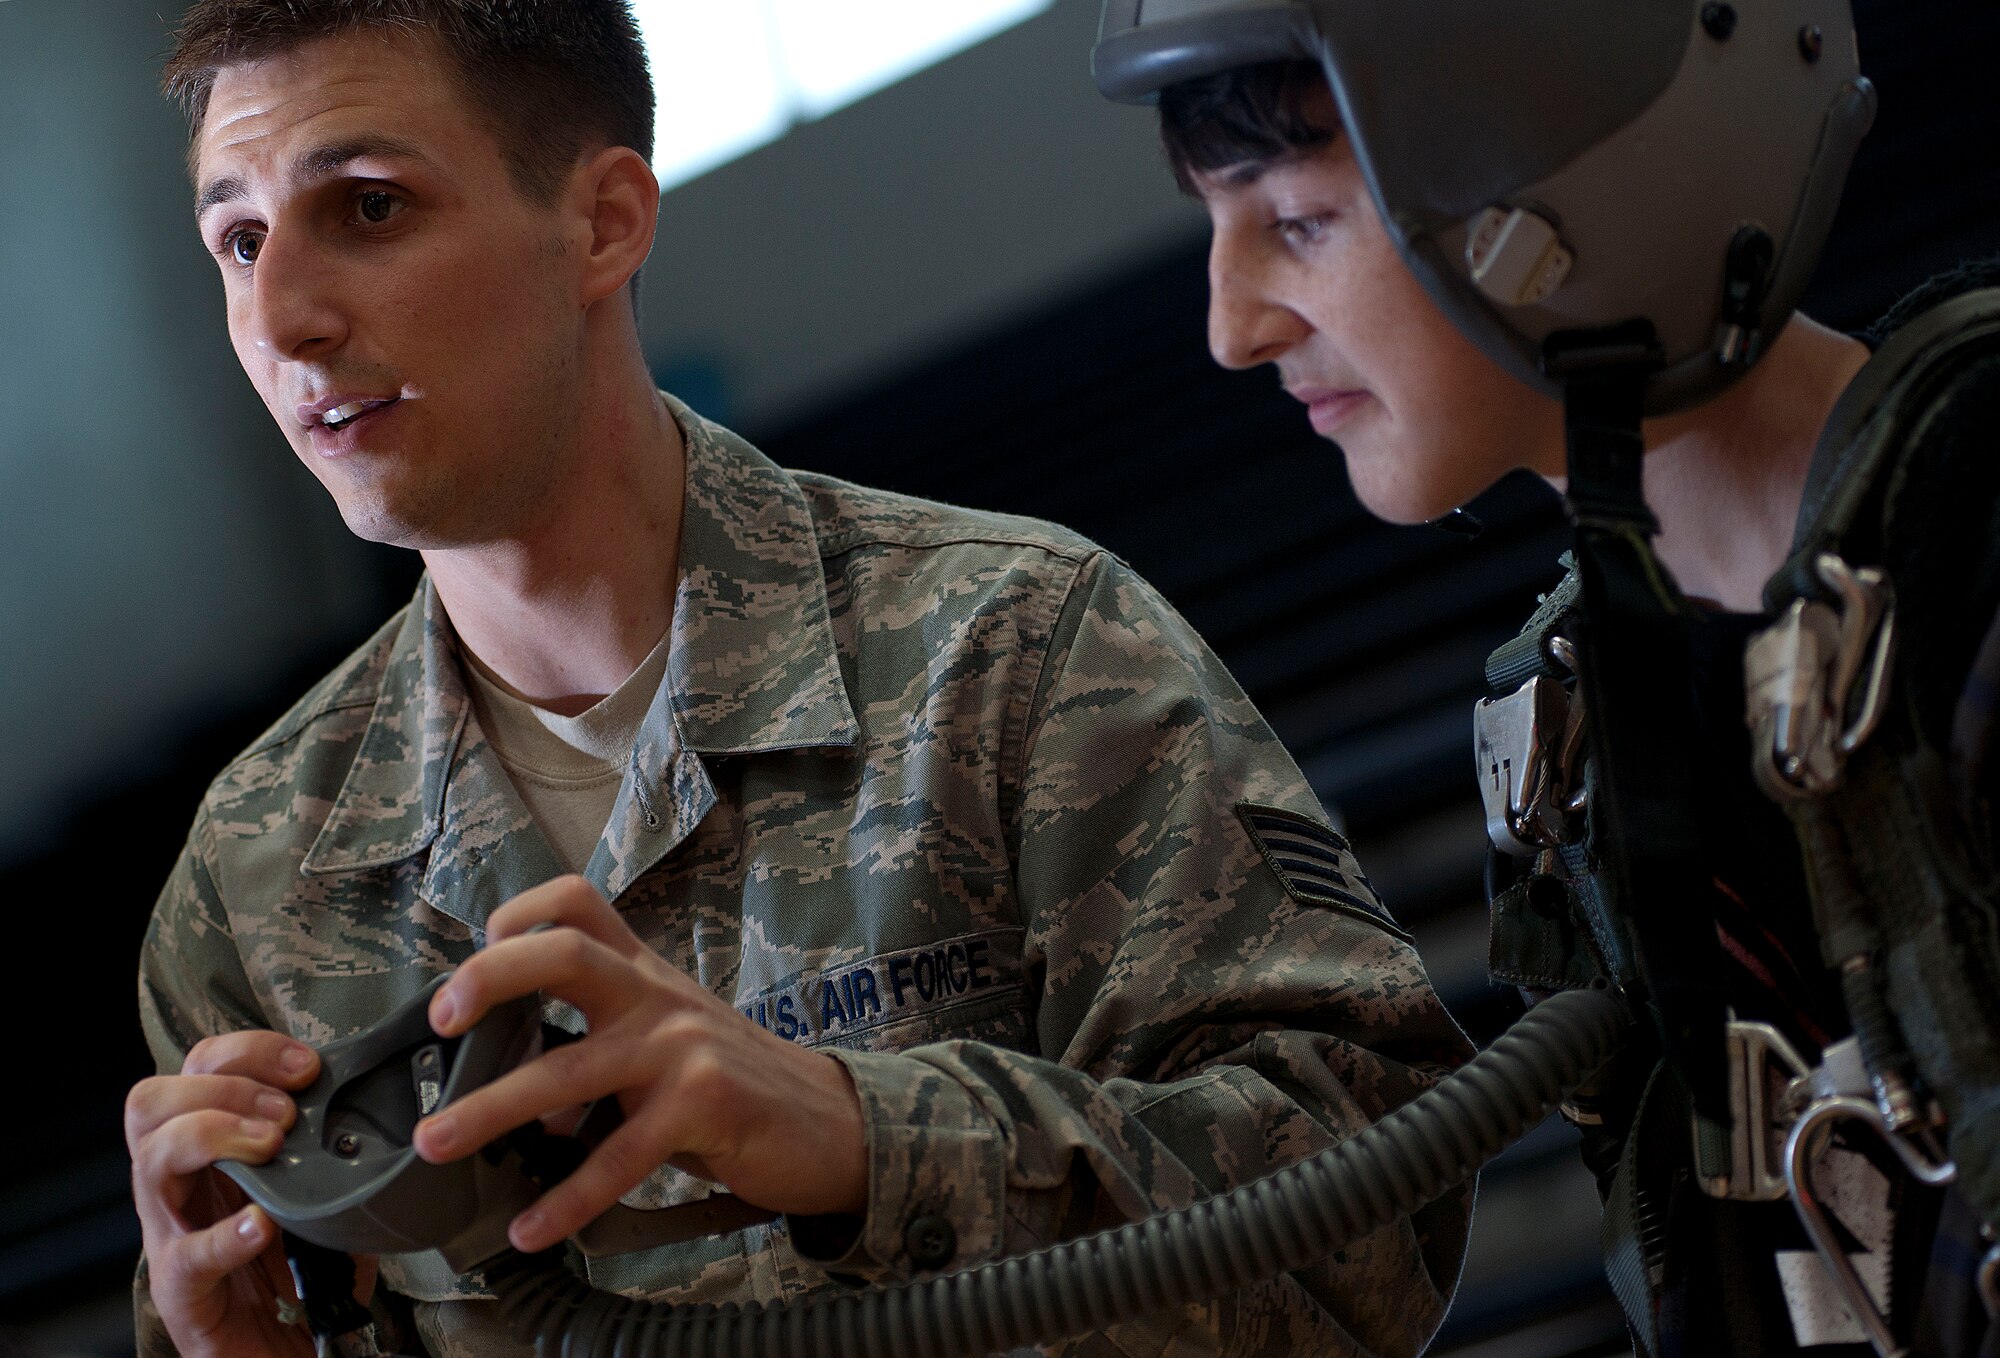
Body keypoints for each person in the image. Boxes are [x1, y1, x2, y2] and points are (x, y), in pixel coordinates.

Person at [121, 3, 1475, 1356]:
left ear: (602, 225)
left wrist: (860, 1138)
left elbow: (1373, 1243)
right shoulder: (251, 883)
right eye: (239, 241)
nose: (282, 317)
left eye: (369, 208)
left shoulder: (1013, 649)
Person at [1092, 3, 2000, 1356]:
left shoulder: (1975, 528)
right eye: (1215, 223)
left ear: (1573, 182)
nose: (1232, 327)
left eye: (1300, 220)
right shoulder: (1574, 729)